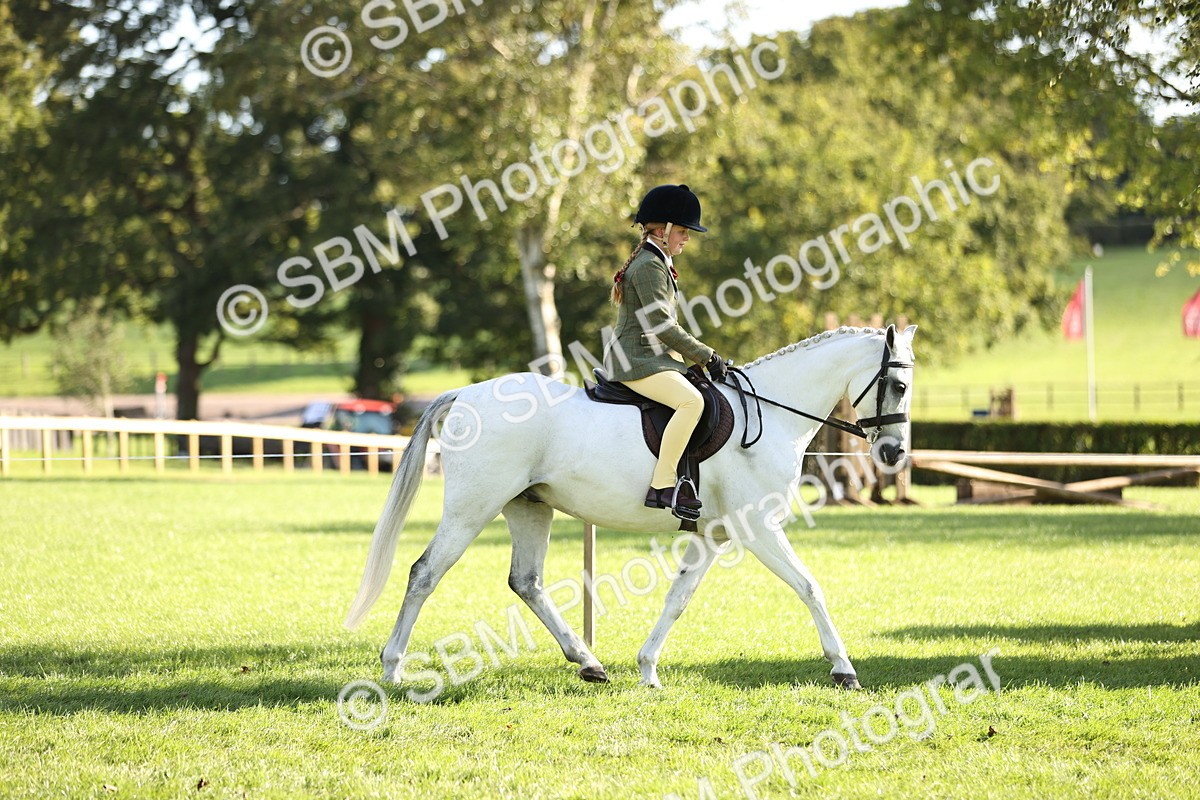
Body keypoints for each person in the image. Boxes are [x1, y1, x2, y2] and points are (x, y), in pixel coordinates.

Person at [604, 184, 728, 520]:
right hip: (635, 361)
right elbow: (662, 326)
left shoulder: (657, 262)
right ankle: (663, 485)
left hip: (651, 358)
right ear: (663, 230)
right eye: (684, 232)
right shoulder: (648, 266)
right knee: (692, 402)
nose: (687, 239)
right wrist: (707, 355)